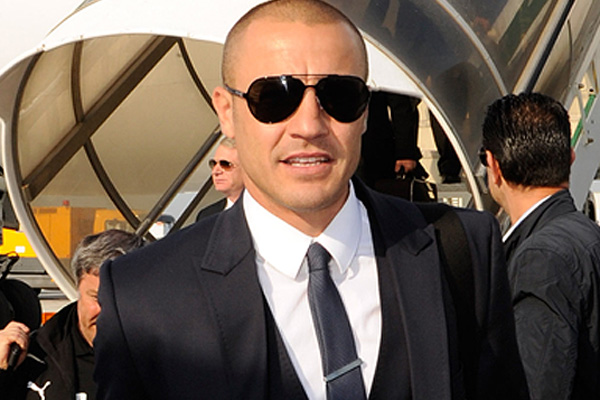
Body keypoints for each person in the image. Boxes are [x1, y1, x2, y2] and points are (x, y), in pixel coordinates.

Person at [94, 1, 528, 399]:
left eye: (339, 97)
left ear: (365, 110)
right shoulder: (144, 295)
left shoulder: (460, 250)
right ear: (226, 111)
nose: (309, 125)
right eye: (274, 98)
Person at [481, 92, 600, 399]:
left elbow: (537, 385)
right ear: (570, 157)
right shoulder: (587, 235)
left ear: (494, 166)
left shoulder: (540, 259)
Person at [0, 229, 143, 400]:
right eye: (97, 298)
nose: (107, 312)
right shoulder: (31, 360)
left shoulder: (166, 363)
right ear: (78, 288)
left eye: (119, 299)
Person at [196, 137, 244, 221]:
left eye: (225, 164)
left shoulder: (266, 210)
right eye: (214, 163)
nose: (215, 171)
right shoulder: (207, 216)